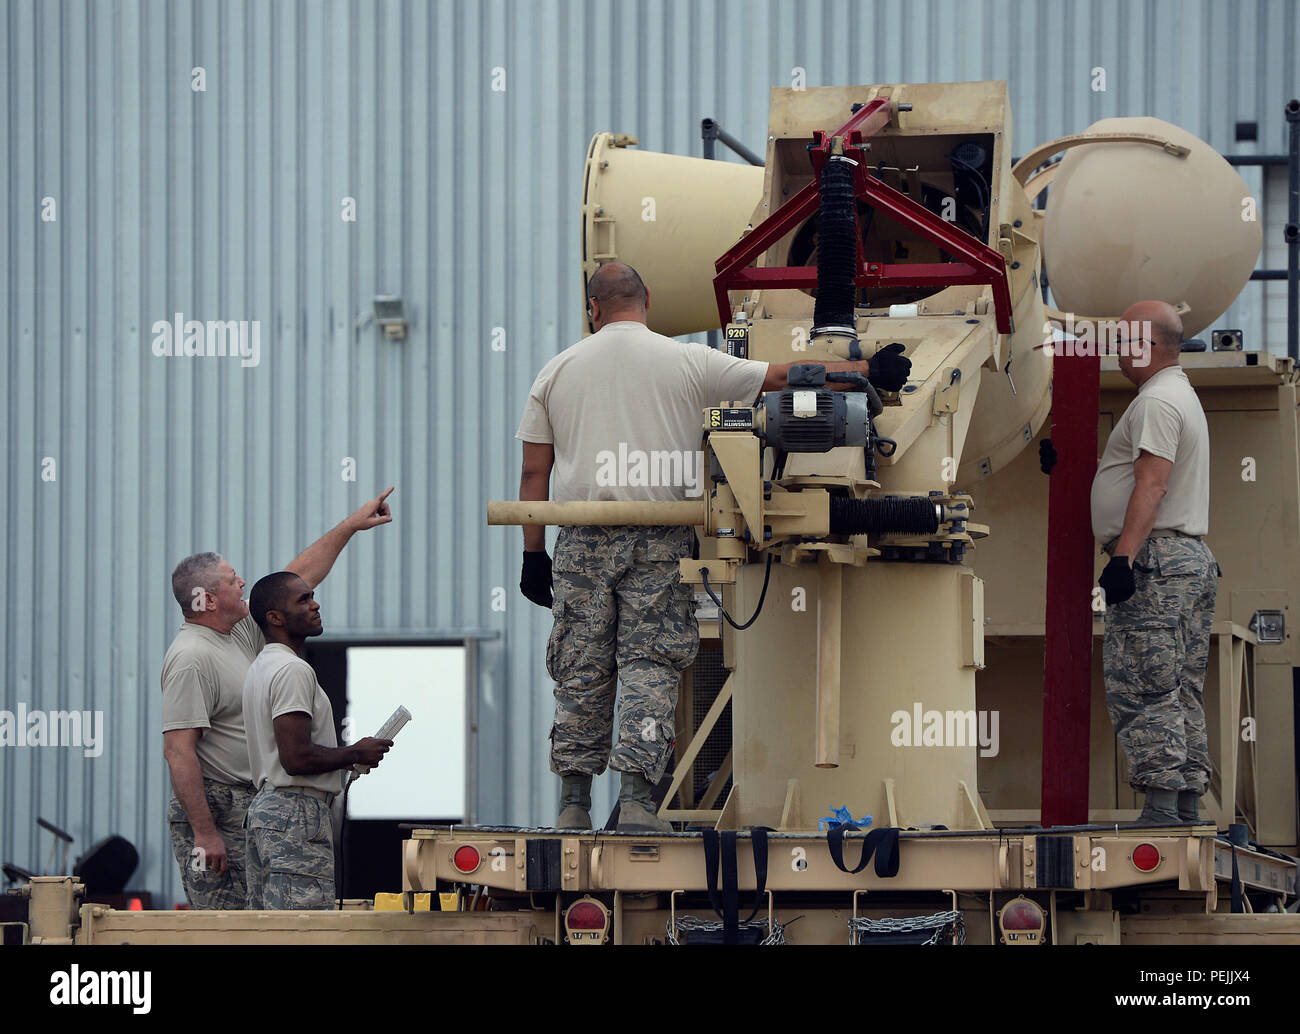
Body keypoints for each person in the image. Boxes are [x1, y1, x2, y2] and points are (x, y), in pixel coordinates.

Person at [515, 262, 911, 832]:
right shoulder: (687, 361)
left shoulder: (556, 372)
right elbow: (783, 376)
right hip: (661, 529)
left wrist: (534, 556)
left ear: (593, 308)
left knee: (581, 668)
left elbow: (534, 475)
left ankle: (573, 806)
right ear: (647, 298)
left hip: (582, 537)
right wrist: (867, 367)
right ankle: (636, 805)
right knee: (649, 667)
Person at [161, 489, 393, 908]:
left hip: (252, 801)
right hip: (218, 806)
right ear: (208, 600)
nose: (244, 583)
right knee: (228, 924)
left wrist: (349, 527)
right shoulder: (191, 657)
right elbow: (179, 752)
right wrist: (205, 833)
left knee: (264, 920)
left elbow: (291, 580)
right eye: (234, 580)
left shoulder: (239, 632)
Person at [1089, 301, 1216, 825]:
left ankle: (1162, 809)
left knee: (1143, 681)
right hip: (1184, 559)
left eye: (1123, 341)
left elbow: (1153, 483)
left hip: (1157, 561)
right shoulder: (1177, 395)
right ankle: (1185, 803)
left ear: (1145, 346)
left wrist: (1124, 558)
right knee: (1178, 684)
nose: (1118, 351)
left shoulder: (1157, 402)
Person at [242, 572, 391, 909]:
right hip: (295, 814)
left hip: (268, 812)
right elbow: (296, 758)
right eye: (303, 600)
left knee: (270, 930)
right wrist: (355, 751)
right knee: (303, 929)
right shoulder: (293, 670)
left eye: (312, 596)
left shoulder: (261, 666)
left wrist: (348, 756)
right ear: (275, 618)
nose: (315, 604)